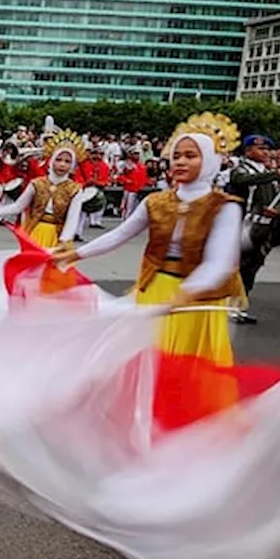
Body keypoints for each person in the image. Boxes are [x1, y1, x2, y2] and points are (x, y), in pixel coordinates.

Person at [54, 113, 244, 430]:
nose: (180, 162)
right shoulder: (155, 201)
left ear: (211, 161)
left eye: (190, 156)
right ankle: (140, 422)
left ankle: (179, 427)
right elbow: (119, 234)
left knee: (183, 369)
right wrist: (75, 254)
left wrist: (186, 294)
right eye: (176, 155)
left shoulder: (224, 206)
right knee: (142, 361)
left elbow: (219, 263)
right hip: (154, 289)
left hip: (195, 303)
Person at [0, 128, 86, 248]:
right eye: (58, 159)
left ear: (72, 165)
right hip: (35, 232)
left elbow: (72, 219)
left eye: (67, 161)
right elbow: (18, 206)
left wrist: (63, 242)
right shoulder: (37, 184)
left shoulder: (75, 189)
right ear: (51, 161)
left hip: (59, 237)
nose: (62, 164)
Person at [226, 134, 280, 324]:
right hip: (245, 226)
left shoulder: (267, 172)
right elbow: (243, 181)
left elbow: (279, 198)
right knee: (238, 268)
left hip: (264, 227)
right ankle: (228, 306)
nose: (266, 152)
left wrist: (276, 210)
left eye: (267, 149)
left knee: (252, 267)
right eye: (261, 149)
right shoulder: (240, 169)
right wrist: (278, 173)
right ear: (248, 151)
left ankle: (241, 305)